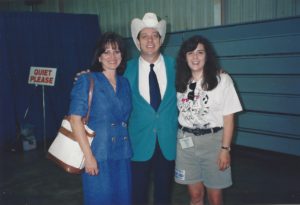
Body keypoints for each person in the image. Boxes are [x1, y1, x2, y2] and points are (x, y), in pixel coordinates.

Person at [174, 35, 243, 205]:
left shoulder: (222, 80)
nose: (195, 57)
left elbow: (229, 117)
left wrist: (225, 149)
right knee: (195, 196)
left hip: (213, 143)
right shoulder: (181, 81)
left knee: (215, 198)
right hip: (186, 143)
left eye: (200, 52)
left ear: (207, 55)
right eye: (190, 53)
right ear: (184, 57)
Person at [69, 32, 132, 205]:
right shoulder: (87, 80)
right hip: (98, 153)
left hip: (122, 152)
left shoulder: (125, 83)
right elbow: (75, 120)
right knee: (100, 200)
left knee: (123, 200)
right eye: (107, 52)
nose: (112, 56)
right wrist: (88, 157)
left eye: (117, 51)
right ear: (99, 56)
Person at [124, 12, 178, 205]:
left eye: (154, 35)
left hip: (168, 143)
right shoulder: (125, 69)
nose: (149, 40)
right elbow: (103, 80)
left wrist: (217, 73)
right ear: (138, 42)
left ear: (161, 40)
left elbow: (200, 76)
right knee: (137, 195)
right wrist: (87, 76)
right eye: (144, 36)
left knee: (164, 195)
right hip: (137, 143)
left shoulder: (177, 67)